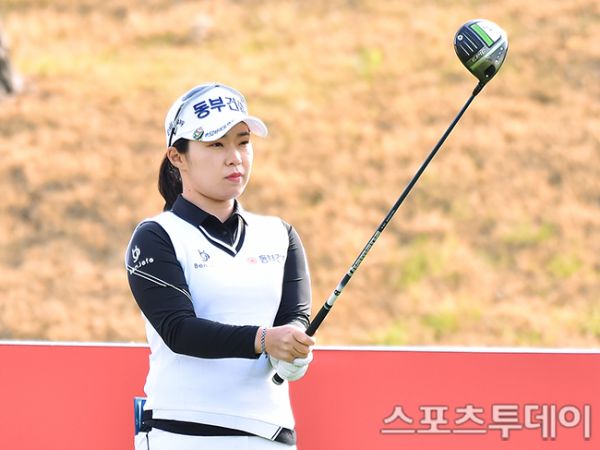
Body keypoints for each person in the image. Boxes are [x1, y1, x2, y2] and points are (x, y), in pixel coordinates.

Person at [125, 82, 315, 450]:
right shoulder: (156, 236)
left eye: (243, 142)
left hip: (270, 435)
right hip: (181, 435)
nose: (235, 158)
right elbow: (179, 330)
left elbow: (294, 319)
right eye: (216, 145)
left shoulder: (280, 235)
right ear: (177, 157)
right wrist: (265, 340)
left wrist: (293, 351)